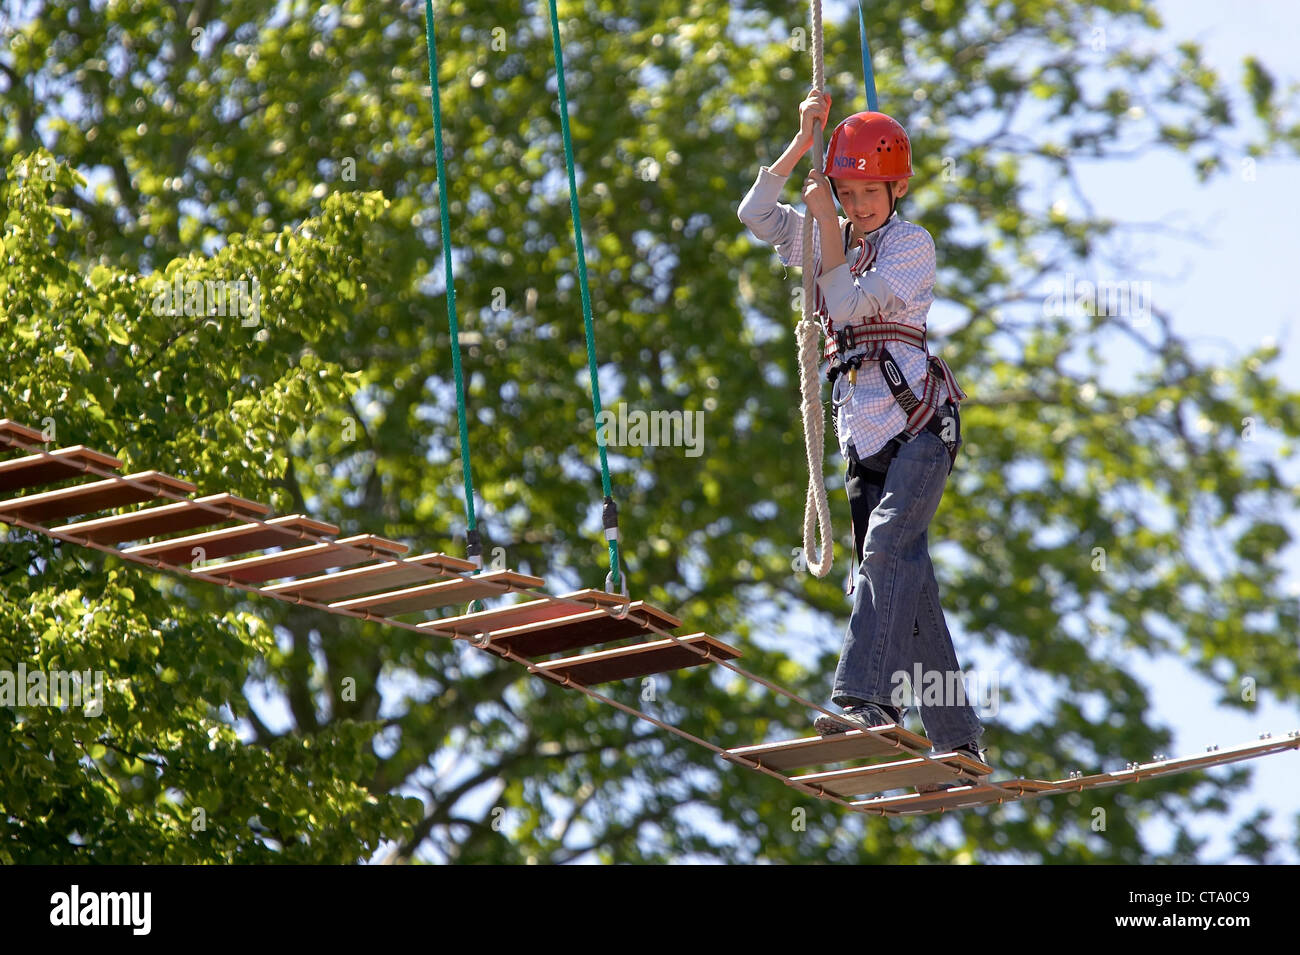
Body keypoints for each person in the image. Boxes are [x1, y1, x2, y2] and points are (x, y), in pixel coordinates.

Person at [736, 89, 988, 790]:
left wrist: (825, 227)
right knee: (907, 581)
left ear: (896, 187)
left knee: (883, 552)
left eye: (869, 191)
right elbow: (754, 215)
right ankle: (959, 738)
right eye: (846, 191)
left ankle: (864, 699)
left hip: (920, 428)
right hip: (862, 434)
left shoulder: (911, 245)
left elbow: (845, 304)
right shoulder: (829, 230)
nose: (857, 203)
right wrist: (799, 142)